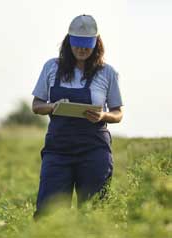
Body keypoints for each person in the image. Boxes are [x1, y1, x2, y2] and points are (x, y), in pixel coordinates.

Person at [31, 14, 123, 219]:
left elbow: (118, 113)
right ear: (69, 42)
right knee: (49, 213)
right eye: (78, 44)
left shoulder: (107, 73)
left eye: (87, 45)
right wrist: (53, 107)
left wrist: (102, 115)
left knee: (93, 213)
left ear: (96, 43)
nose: (82, 49)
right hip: (58, 150)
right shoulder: (51, 67)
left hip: (94, 151)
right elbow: (36, 105)